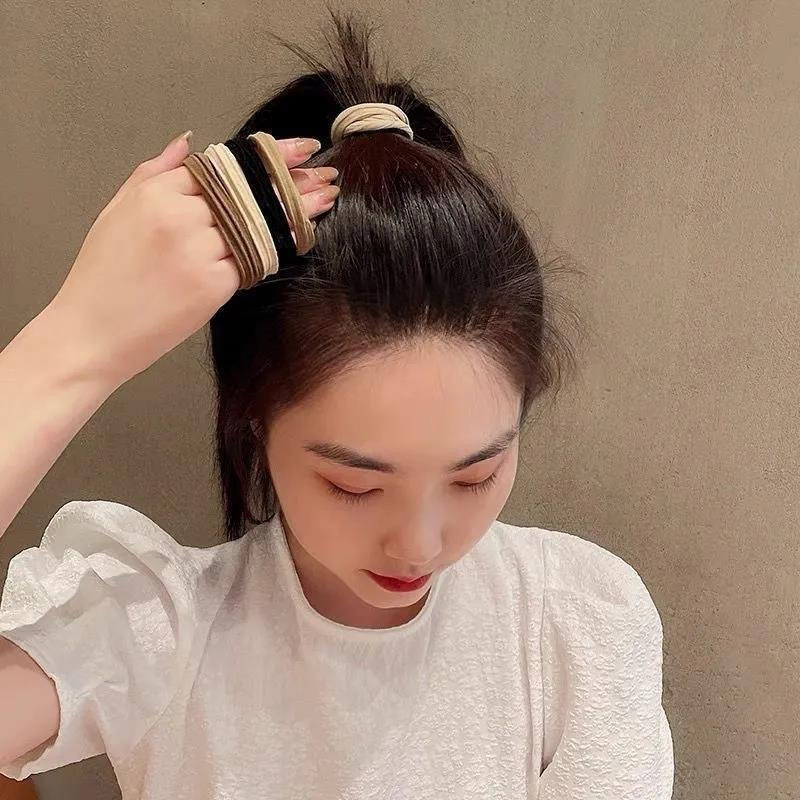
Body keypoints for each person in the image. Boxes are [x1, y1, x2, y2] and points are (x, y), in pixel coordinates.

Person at [0, 9, 674, 799]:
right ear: (256, 420)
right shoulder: (152, 629)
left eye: (476, 476)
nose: (418, 546)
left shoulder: (575, 621)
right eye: (354, 485)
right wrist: (70, 349)